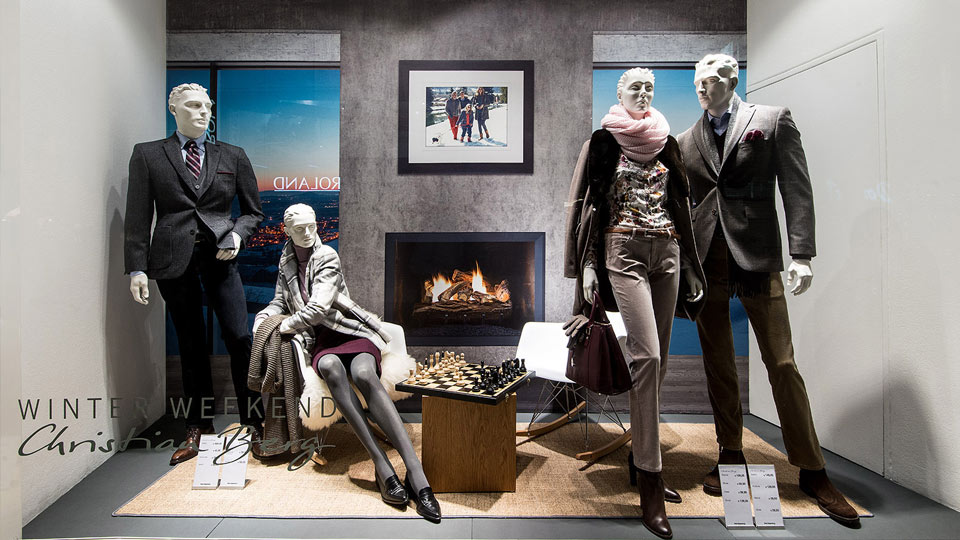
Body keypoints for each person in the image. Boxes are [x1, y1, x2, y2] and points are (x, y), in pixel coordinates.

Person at [676, 53, 860, 528]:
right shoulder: (686, 140)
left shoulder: (772, 120)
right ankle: (729, 452)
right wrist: (685, 264)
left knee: (781, 362)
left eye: (711, 79)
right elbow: (685, 205)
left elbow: (796, 187)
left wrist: (802, 254)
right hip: (708, 263)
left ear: (732, 78)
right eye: (697, 81)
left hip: (759, 259)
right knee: (718, 363)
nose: (702, 87)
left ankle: (813, 469)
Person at [563, 68, 705, 540]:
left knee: (658, 366)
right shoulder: (603, 142)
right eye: (634, 88)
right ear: (619, 93)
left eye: (649, 88)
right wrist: (587, 264)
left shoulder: (667, 141)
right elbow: (585, 205)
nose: (643, 94)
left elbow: (680, 206)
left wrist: (689, 265)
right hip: (622, 250)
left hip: (668, 253)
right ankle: (650, 477)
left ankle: (636, 454)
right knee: (648, 357)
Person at [253, 204, 441, 523]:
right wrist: (265, 316)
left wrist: (285, 326)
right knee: (330, 368)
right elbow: (280, 301)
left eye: (312, 226)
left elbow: (318, 308)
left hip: (350, 332)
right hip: (321, 341)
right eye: (300, 229)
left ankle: (416, 473)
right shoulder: (285, 261)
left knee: (365, 373)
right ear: (286, 231)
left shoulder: (327, 255)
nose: (308, 233)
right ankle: (382, 466)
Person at [124, 83, 265, 466]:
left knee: (240, 337)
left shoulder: (232, 155)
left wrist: (237, 235)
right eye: (192, 105)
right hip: (172, 259)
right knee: (190, 344)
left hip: (221, 257)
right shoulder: (148, 154)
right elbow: (138, 216)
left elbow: (253, 211)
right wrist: (137, 267)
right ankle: (197, 427)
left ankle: (254, 422)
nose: (202, 111)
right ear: (173, 109)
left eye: (206, 105)